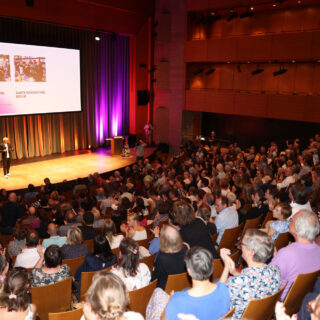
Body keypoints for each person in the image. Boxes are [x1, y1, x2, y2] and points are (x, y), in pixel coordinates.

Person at [220, 229, 281, 319]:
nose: (240, 246)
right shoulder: (275, 271)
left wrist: (226, 266)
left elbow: (217, 297)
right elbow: (253, 282)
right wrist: (234, 272)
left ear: (251, 252)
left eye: (242, 244)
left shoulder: (236, 283)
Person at [163, 247, 230, 320]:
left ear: (189, 271)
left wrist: (169, 301)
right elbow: (221, 284)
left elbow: (163, 318)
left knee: (158, 292)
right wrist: (226, 266)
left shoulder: (177, 300)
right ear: (212, 266)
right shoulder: (224, 290)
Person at [270, 210, 320, 300]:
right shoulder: (318, 250)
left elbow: (265, 280)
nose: (289, 221)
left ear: (298, 229)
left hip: (279, 302)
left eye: (291, 220)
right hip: (301, 300)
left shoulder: (286, 254)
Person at [151, 225, 187, 290]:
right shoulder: (185, 249)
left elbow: (155, 279)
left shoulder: (162, 258)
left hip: (166, 290)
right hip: (184, 286)